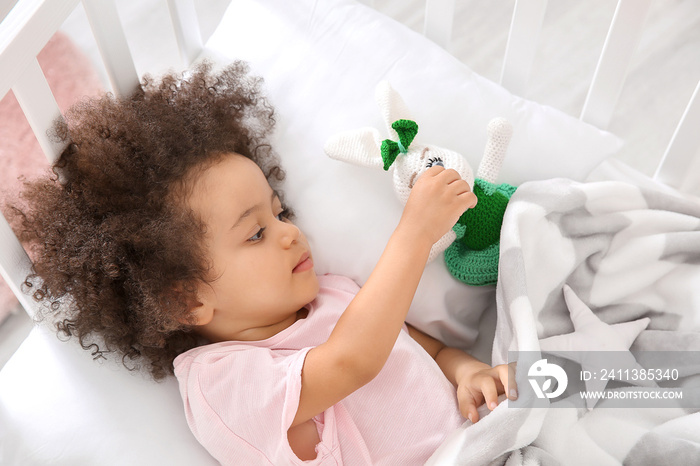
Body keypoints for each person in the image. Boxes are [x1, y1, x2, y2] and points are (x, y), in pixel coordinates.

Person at [9, 62, 517, 465]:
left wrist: (462, 366)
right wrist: (415, 233)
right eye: (256, 233)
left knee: (579, 374)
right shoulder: (221, 383)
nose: (290, 232)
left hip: (485, 432)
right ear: (186, 298)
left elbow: (408, 340)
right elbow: (351, 361)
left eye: (280, 212)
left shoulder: (330, 293)